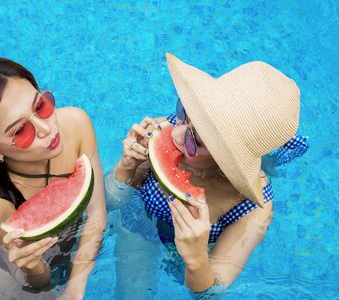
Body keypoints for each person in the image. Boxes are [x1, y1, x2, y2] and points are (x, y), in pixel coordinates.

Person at [105, 53, 308, 297]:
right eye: (184, 112)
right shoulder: (164, 128)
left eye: (195, 141)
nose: (177, 134)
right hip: (137, 228)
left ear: (226, 160)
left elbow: (209, 294)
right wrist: (126, 168)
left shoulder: (254, 209)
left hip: (190, 258)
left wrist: (196, 260)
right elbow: (110, 202)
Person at [0, 55, 107, 299]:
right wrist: (33, 267)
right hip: (5, 273)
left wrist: (76, 286)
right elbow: (35, 285)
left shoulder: (76, 124)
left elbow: (96, 214)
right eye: (20, 131)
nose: (46, 128)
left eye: (40, 105)